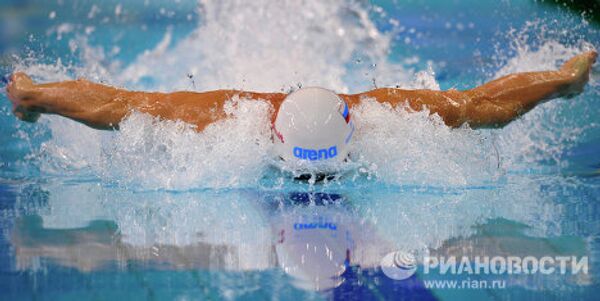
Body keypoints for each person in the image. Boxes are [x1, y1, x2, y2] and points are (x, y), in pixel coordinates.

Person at [4, 51, 597, 165]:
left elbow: (482, 102)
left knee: (463, 110)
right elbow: (117, 103)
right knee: (146, 108)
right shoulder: (231, 122)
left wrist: (561, 82)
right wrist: (33, 95)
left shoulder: (382, 118)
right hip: (262, 112)